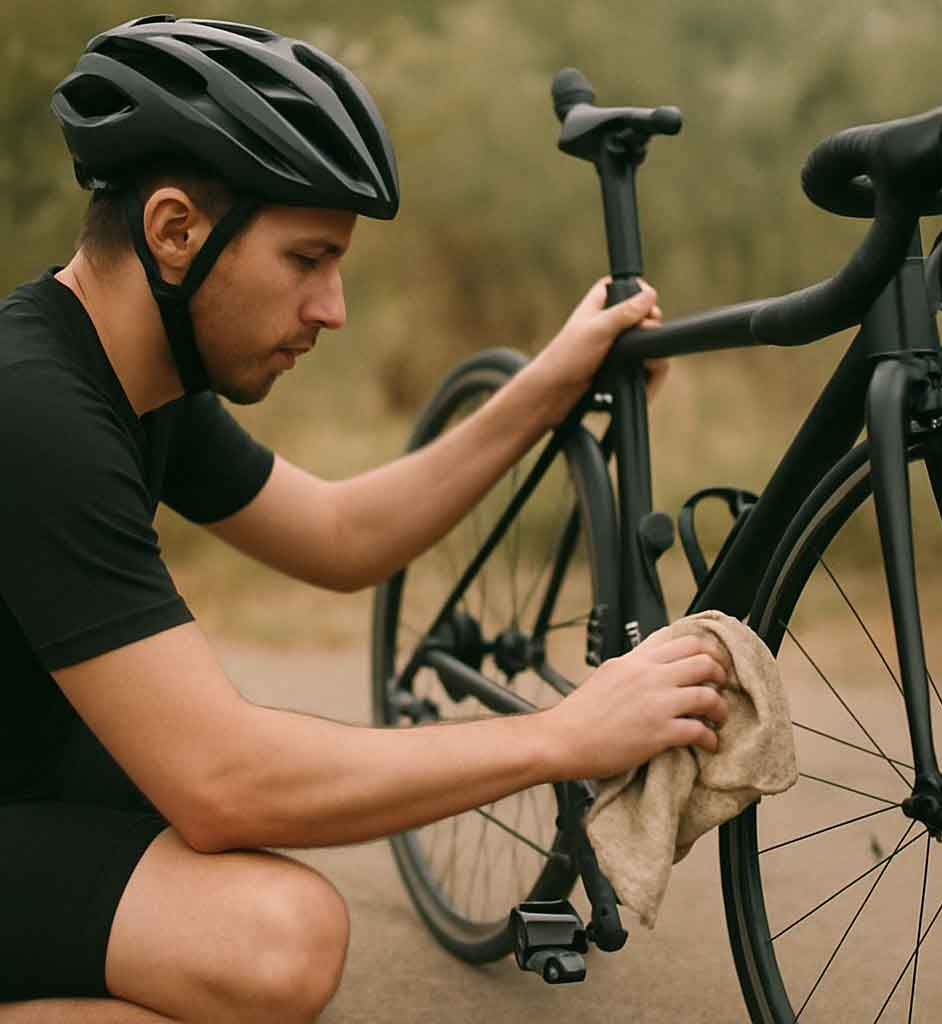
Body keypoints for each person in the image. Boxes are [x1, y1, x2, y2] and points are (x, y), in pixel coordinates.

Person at [0, 16, 729, 1023]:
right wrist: (563, 736)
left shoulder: (137, 380)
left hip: (30, 784)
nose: (332, 308)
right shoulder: (33, 409)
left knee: (240, 901)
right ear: (173, 232)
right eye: (307, 258)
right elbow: (222, 777)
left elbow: (342, 537)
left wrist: (549, 385)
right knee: (275, 939)